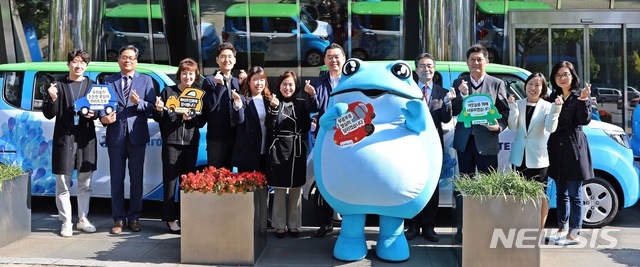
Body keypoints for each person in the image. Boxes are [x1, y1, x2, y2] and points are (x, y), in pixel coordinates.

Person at [451, 44, 509, 242]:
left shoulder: (496, 84)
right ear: (467, 63)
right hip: (465, 142)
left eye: (479, 59)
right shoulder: (459, 82)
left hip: (487, 142)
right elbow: (453, 110)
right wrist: (462, 95)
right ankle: (463, 230)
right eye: (472, 60)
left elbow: (505, 112)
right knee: (465, 186)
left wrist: (499, 126)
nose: (476, 63)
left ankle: (487, 230)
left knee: (488, 185)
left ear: (486, 62)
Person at [99, 45, 156, 234]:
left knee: (136, 178)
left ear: (136, 61)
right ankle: (118, 219)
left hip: (137, 135)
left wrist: (138, 103)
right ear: (119, 60)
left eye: (131, 58)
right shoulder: (108, 81)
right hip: (116, 136)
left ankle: (134, 217)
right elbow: (101, 106)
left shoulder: (146, 80)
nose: (127, 60)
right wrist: (103, 118)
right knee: (116, 178)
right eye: (124, 57)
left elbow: (153, 107)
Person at [42, 49, 98, 237]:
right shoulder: (58, 86)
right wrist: (52, 98)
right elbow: (49, 113)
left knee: (85, 183)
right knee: (63, 184)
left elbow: (98, 111)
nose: (78, 65)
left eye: (82, 62)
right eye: (75, 61)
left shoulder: (92, 86)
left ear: (87, 66)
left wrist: (94, 114)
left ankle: (83, 219)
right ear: (68, 64)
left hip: (85, 139)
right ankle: (66, 221)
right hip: (64, 139)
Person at [405, 53, 455, 242]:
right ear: (416, 69)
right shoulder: (407, 90)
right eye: (423, 66)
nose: (427, 69)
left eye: (430, 66)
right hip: (411, 145)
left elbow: (445, 119)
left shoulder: (442, 93)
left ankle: (429, 226)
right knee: (411, 186)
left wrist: (449, 103)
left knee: (432, 187)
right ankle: (412, 225)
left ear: (434, 69)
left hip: (433, 145)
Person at [153, 58, 206, 234]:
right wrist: (160, 110)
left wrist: (193, 119)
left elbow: (201, 120)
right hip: (171, 142)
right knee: (170, 180)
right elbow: (160, 118)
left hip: (190, 142)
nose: (187, 76)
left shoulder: (199, 93)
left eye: (191, 73)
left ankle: (187, 217)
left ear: (196, 75)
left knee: (187, 181)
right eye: (184, 73)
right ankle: (169, 218)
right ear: (180, 75)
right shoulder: (168, 91)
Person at [544, 61, 593, 246]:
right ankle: (562, 229)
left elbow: (584, 120)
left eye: (565, 74)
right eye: (558, 75)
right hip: (556, 147)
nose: (562, 78)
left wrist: (584, 100)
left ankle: (574, 233)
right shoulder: (553, 97)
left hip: (574, 148)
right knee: (560, 192)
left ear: (572, 76)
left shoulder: (579, 95)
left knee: (574, 193)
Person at [507, 73, 561, 231]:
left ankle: (538, 229)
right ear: (525, 86)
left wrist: (556, 109)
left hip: (538, 158)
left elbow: (551, 128)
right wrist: (512, 107)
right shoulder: (518, 103)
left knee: (539, 195)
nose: (533, 88)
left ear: (543, 88)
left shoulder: (548, 106)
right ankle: (520, 227)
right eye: (530, 84)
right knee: (518, 194)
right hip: (519, 157)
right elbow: (512, 126)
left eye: (537, 85)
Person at [304, 43, 345, 238]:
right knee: (324, 181)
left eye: (337, 56)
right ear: (324, 60)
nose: (333, 60)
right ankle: (325, 223)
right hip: (326, 138)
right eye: (329, 57)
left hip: (350, 138)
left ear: (344, 58)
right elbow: (314, 108)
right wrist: (311, 95)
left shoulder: (352, 80)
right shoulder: (318, 83)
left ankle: (348, 221)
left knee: (348, 180)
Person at [266, 71, 311, 238]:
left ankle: (293, 225)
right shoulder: (273, 102)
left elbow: (306, 126)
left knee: (295, 188)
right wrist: (273, 108)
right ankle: (279, 225)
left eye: (291, 84)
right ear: (279, 86)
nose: (287, 87)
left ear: (295, 86)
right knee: (278, 188)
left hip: (297, 149)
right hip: (278, 148)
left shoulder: (301, 103)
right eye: (284, 84)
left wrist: (311, 96)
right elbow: (269, 125)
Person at [201, 42, 247, 169]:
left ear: (235, 60)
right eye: (223, 56)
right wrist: (219, 86)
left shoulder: (238, 82)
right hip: (217, 137)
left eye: (230, 56)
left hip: (235, 136)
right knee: (216, 177)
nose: (227, 60)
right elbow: (209, 107)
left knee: (232, 179)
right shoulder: (210, 80)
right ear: (217, 60)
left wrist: (245, 84)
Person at [232, 66, 271, 173]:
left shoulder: (269, 100)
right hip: (247, 151)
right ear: (248, 81)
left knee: (262, 186)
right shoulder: (243, 99)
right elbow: (238, 120)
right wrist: (238, 103)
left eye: (262, 79)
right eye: (255, 79)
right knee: (246, 187)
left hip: (264, 150)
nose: (259, 83)